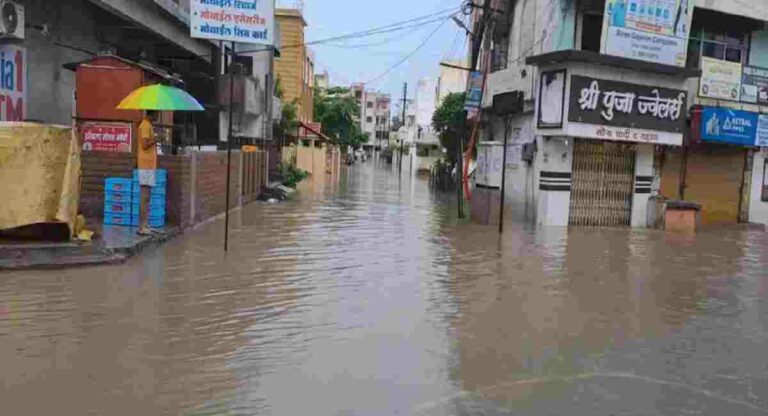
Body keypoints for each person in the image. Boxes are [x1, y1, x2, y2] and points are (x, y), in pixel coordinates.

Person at [137, 110, 160, 236]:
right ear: (153, 113)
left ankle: (145, 224)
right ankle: (142, 226)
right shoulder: (145, 125)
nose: (158, 115)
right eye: (158, 113)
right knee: (144, 196)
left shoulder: (148, 125)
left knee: (147, 196)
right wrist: (156, 139)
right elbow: (145, 145)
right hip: (145, 165)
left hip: (149, 165)